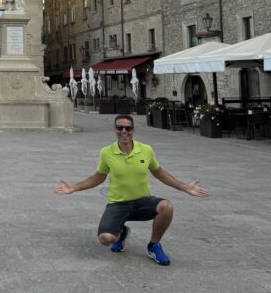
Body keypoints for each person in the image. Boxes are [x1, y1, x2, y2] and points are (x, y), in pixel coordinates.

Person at [54, 114, 208, 266]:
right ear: (114, 130)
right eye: (119, 127)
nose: (124, 131)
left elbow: (160, 173)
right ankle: (121, 233)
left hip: (142, 202)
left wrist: (185, 187)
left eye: (128, 128)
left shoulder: (146, 150)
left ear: (133, 130)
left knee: (167, 207)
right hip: (118, 204)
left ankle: (154, 245)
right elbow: (99, 177)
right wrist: (75, 187)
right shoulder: (106, 152)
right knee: (106, 239)